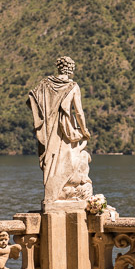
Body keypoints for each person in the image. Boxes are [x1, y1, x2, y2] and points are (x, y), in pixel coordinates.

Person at [28, 55, 92, 203]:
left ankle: (53, 193)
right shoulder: (72, 86)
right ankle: (60, 192)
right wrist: (84, 130)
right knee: (67, 160)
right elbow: (79, 112)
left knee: (51, 161)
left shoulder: (45, 84)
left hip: (50, 129)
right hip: (64, 130)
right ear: (71, 69)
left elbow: (34, 99)